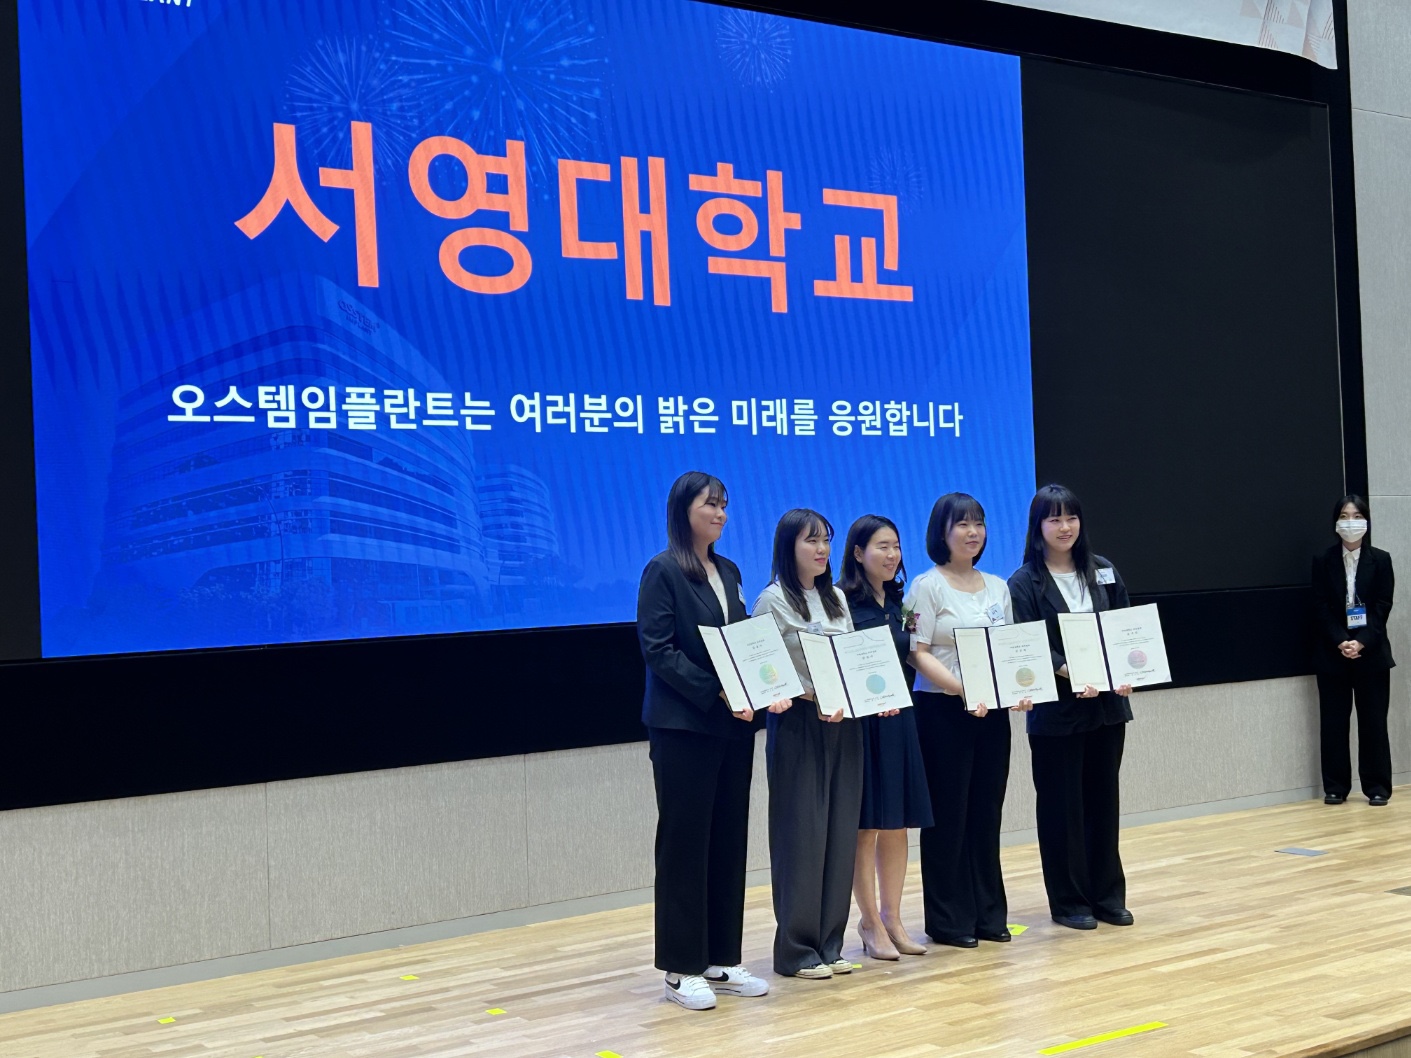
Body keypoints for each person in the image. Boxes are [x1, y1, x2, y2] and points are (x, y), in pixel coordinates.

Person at [636, 471, 783, 1010]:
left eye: (724, 505)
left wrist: (765, 686)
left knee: (727, 838)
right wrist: (717, 690)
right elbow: (659, 650)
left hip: (732, 724)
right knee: (685, 843)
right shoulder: (663, 570)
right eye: (710, 505)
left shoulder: (730, 570)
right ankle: (681, 967)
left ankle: (721, 957)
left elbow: (743, 641)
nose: (721, 514)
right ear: (684, 510)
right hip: (683, 726)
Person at [904, 493, 1031, 949]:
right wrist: (963, 690)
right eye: (961, 524)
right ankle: (947, 918)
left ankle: (988, 914)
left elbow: (1012, 650)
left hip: (990, 712)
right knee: (948, 814)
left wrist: (1019, 689)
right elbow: (916, 652)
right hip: (942, 711)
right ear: (942, 532)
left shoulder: (998, 587)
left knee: (986, 811)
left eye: (978, 523)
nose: (972, 531)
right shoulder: (926, 585)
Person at [1007, 484, 1135, 931]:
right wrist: (1070, 671)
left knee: (1104, 803)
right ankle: (1069, 901)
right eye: (1054, 519)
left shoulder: (1103, 570)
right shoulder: (1024, 582)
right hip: (1057, 712)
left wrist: (1127, 669)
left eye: (1071, 517)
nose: (1065, 527)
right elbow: (1026, 644)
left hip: (1106, 709)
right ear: (1038, 526)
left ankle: (1108, 896)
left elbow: (1124, 628)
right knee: (1062, 809)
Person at [753, 509, 863, 979]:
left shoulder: (836, 597)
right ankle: (796, 949)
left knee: (839, 834)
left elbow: (854, 659)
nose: (821, 550)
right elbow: (762, 668)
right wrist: (793, 693)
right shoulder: (772, 600)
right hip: (798, 723)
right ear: (788, 546)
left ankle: (830, 943)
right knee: (801, 836)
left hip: (844, 723)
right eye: (810, 541)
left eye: (826, 541)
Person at [838, 515, 932, 960]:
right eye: (882, 546)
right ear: (858, 553)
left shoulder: (901, 602)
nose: (892, 555)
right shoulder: (840, 603)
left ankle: (893, 917)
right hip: (862, 724)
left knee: (897, 822)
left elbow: (914, 655)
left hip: (901, 719)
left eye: (895, 546)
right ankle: (869, 922)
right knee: (867, 825)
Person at [1312, 494, 1395, 807]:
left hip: (1371, 653)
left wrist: (1361, 641)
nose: (1351, 522)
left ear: (1366, 521)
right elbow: (1320, 606)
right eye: (1344, 516)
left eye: (1357, 516)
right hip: (1332, 653)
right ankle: (1336, 787)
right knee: (1334, 723)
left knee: (1373, 723)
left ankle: (1377, 787)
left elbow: (1383, 605)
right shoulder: (1323, 560)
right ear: (1336, 523)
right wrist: (1341, 641)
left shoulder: (1381, 559)